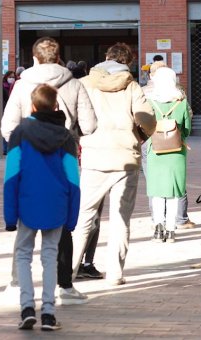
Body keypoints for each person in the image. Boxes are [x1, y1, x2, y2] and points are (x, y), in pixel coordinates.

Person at [2, 36, 96, 305]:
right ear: (58, 58)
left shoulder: (21, 85)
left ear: (33, 58)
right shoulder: (75, 83)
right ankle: (64, 287)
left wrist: (25, 136)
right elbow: (89, 125)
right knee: (61, 222)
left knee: (25, 229)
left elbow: (7, 126)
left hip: (28, 159)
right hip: (64, 151)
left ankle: (17, 284)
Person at [72, 42, 155, 286]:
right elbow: (147, 120)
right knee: (121, 219)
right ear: (127, 62)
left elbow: (74, 117)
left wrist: (83, 138)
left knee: (84, 216)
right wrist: (140, 138)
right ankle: (116, 273)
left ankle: (69, 271)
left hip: (94, 156)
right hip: (125, 157)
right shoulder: (132, 86)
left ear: (106, 57)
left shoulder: (85, 83)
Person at [4, 84, 80, 331]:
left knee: (23, 254)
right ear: (55, 105)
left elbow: (11, 176)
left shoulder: (21, 132)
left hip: (27, 203)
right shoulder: (66, 137)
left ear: (33, 106)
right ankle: (48, 312)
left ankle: (27, 307)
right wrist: (72, 217)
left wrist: (9, 214)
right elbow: (73, 180)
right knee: (50, 256)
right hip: (57, 204)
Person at [142, 60, 196, 230]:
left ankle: (158, 225)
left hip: (154, 150)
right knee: (175, 189)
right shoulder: (181, 102)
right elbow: (187, 128)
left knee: (156, 189)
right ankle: (172, 229)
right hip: (176, 150)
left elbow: (143, 126)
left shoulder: (149, 102)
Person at [2, 71, 16, 154]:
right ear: (6, 77)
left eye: (13, 77)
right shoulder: (3, 87)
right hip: (6, 110)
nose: (12, 78)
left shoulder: (16, 86)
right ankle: (5, 148)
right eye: (10, 77)